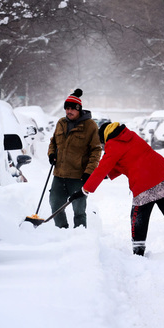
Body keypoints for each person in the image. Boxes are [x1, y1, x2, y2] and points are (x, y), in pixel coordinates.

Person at [70, 121, 164, 256]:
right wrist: (108, 175)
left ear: (105, 137)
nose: (103, 145)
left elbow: (102, 168)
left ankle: (138, 251)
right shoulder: (130, 135)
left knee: (138, 217)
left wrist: (84, 190)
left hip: (145, 184)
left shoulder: (113, 144)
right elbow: (127, 161)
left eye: (102, 142)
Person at [47, 88, 102, 228]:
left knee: (79, 210)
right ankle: (62, 231)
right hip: (59, 174)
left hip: (78, 176)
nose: (69, 111)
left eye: (72, 109)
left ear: (79, 109)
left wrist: (89, 172)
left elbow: (96, 151)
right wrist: (52, 154)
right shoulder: (61, 123)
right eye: (67, 108)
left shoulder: (90, 126)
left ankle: (80, 237)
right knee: (55, 205)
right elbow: (53, 142)